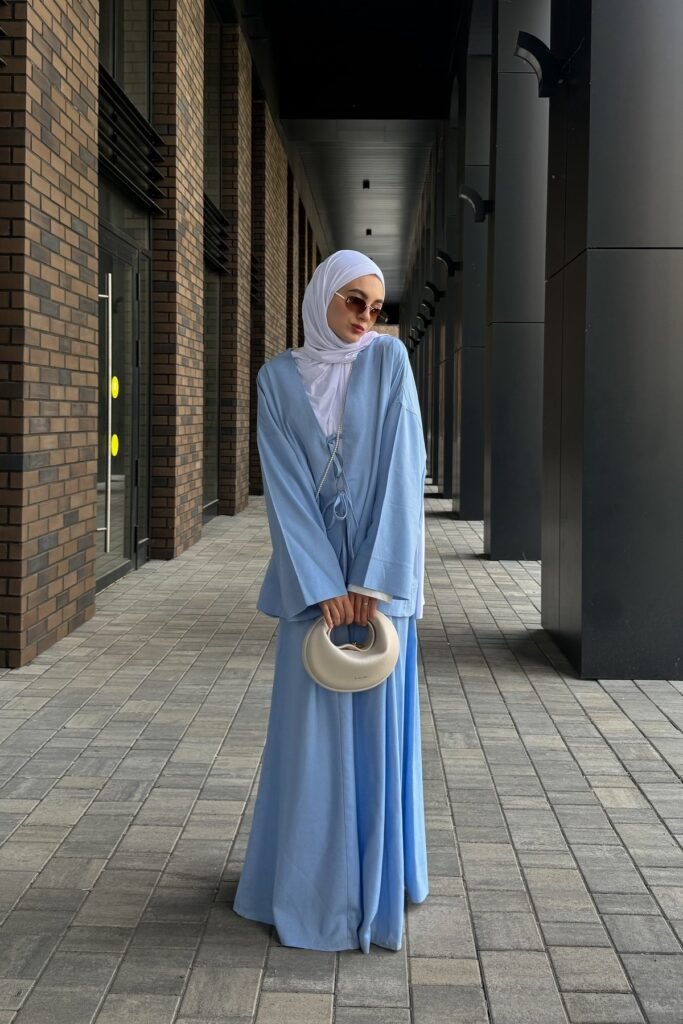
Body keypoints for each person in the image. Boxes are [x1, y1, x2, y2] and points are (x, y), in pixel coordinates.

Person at [233, 249, 428, 953]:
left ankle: (374, 887)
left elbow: (406, 471)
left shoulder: (389, 364)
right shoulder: (277, 379)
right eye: (353, 302)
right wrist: (321, 585)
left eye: (376, 308)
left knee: (376, 730)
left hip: (379, 584)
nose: (364, 319)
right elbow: (282, 485)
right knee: (307, 739)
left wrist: (369, 583)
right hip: (311, 587)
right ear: (320, 296)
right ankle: (306, 887)